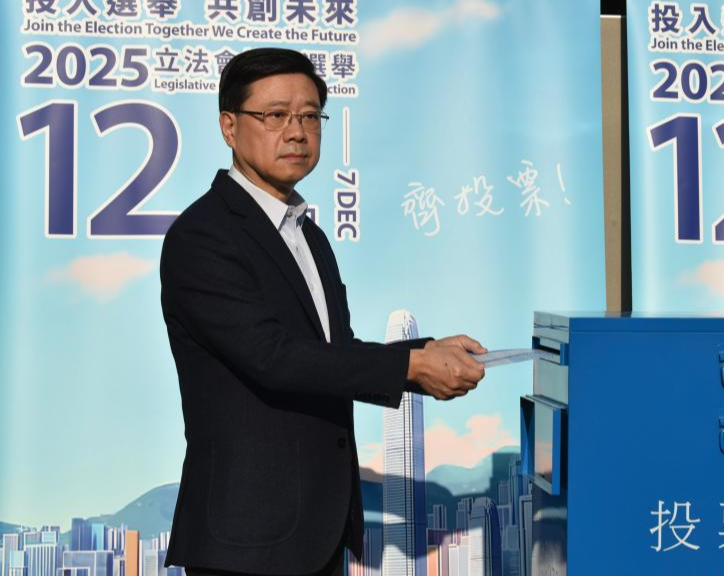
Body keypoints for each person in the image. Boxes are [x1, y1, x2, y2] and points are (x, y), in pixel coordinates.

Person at [160, 48, 486, 576]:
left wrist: (421, 355)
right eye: (275, 115)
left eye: (310, 116)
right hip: (247, 541)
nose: (296, 131)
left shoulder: (306, 233)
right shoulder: (202, 237)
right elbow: (274, 358)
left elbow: (330, 355)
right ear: (228, 125)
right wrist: (410, 367)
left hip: (316, 532)